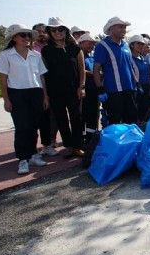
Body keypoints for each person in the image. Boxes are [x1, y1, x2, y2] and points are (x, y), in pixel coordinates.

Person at [0, 24, 49, 174]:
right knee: (22, 126)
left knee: (33, 126)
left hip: (35, 93)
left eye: (28, 35)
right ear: (14, 38)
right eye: (23, 35)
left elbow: (41, 77)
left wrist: (45, 96)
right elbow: (3, 78)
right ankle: (22, 159)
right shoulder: (5, 55)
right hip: (17, 94)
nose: (27, 38)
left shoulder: (36, 55)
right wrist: (6, 99)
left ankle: (33, 155)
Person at [41, 17, 85, 158]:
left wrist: (81, 87)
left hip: (73, 90)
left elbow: (82, 70)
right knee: (61, 120)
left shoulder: (76, 48)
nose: (57, 32)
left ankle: (78, 146)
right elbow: (43, 74)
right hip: (55, 92)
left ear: (65, 30)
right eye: (53, 30)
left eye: (60, 29)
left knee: (76, 118)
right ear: (50, 32)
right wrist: (46, 95)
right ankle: (70, 146)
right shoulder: (46, 51)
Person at [93, 17, 138, 125]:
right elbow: (96, 68)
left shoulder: (125, 45)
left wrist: (136, 83)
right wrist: (100, 89)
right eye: (120, 27)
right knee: (114, 123)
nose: (124, 30)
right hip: (113, 92)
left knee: (131, 121)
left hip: (129, 90)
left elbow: (130, 66)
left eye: (124, 27)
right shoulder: (102, 45)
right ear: (111, 29)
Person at [31, 23, 58, 156]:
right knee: (36, 118)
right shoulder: (30, 49)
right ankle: (32, 147)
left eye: (43, 31)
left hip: (52, 85)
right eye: (38, 31)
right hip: (36, 86)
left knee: (52, 116)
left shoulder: (52, 47)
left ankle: (50, 142)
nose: (41, 33)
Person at [78, 33, 100, 144]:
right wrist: (94, 73)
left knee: (93, 115)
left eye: (93, 43)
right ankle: (81, 141)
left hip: (94, 90)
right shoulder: (79, 54)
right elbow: (81, 70)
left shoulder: (93, 55)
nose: (92, 45)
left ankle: (91, 139)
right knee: (82, 116)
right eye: (89, 43)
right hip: (83, 91)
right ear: (81, 43)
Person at [128, 34, 150, 122]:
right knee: (135, 113)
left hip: (145, 89)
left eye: (142, 44)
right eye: (138, 44)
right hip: (136, 89)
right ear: (132, 45)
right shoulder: (129, 59)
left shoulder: (143, 58)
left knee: (144, 112)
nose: (141, 46)